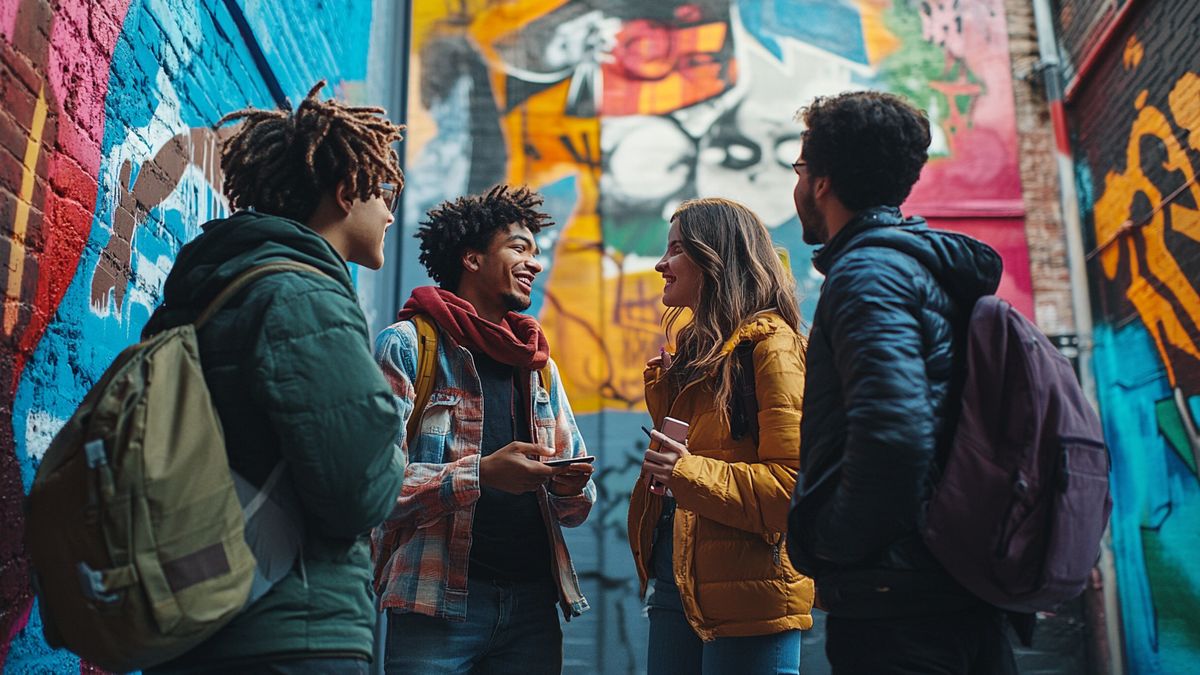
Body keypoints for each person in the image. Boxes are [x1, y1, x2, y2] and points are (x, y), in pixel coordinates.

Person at [143, 81, 407, 673]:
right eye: (383, 192)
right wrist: (391, 435)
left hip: (202, 618)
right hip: (290, 632)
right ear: (345, 193)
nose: (390, 211)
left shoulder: (211, 289)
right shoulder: (304, 298)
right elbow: (358, 494)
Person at [785, 91, 1016, 674]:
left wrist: (835, 542)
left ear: (820, 183)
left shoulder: (868, 274)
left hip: (899, 602)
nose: (797, 184)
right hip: (944, 579)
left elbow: (895, 433)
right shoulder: (914, 266)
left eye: (799, 168)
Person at [372, 185, 596, 674]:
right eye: (519, 247)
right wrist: (483, 474)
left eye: (536, 253)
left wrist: (569, 484)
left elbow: (577, 507)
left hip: (534, 607)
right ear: (471, 258)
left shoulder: (537, 366)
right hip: (436, 604)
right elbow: (377, 490)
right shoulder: (409, 347)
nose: (535, 263)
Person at [627, 197, 813, 675]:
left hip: (753, 594)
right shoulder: (697, 355)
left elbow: (790, 492)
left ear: (714, 257)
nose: (660, 264)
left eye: (675, 250)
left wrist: (684, 470)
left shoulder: (773, 348)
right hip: (678, 583)